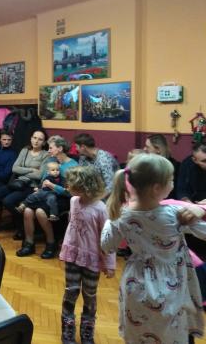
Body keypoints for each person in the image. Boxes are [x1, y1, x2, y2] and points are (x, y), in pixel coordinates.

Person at [101, 153, 206, 344]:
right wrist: (202, 209)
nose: (173, 184)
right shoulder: (174, 213)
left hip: (136, 285)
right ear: (157, 188)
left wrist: (111, 218)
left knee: (140, 335)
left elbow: (107, 246)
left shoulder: (121, 215)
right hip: (171, 286)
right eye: (171, 180)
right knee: (171, 334)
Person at [59, 166, 115, 344]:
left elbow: (107, 239)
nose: (68, 187)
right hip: (73, 255)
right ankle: (67, 331)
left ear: (85, 187)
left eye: (72, 184)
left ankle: (87, 332)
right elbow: (72, 224)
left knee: (90, 295)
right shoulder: (73, 200)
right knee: (70, 292)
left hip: (92, 259)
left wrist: (110, 264)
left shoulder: (101, 209)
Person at [17, 136, 78, 259]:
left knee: (40, 211)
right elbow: (44, 181)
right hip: (46, 195)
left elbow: (71, 192)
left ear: (60, 149)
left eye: (51, 148)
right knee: (27, 210)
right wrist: (40, 188)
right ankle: (29, 243)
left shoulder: (72, 165)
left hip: (62, 198)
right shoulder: (51, 161)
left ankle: (51, 243)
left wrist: (53, 186)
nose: (48, 150)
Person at [0, 130, 49, 237]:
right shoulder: (25, 150)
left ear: (44, 142)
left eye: (40, 139)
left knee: (8, 201)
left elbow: (39, 175)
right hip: (17, 182)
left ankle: (22, 227)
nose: (36, 141)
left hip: (31, 186)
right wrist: (32, 169)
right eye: (34, 138)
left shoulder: (45, 155)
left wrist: (23, 170)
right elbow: (14, 168)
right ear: (31, 138)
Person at [144, 133, 180, 197]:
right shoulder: (146, 164)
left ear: (158, 149)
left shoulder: (174, 167)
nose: (144, 149)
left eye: (147, 147)